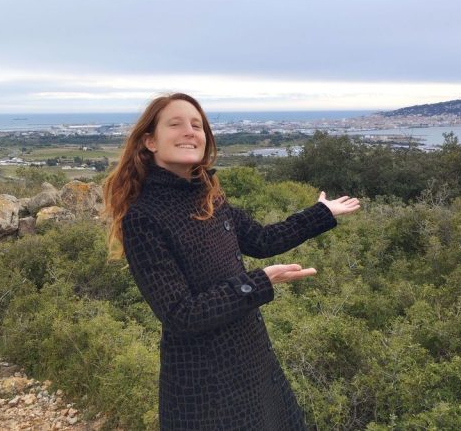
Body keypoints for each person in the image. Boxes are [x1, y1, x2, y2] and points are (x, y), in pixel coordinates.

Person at [103, 93, 360, 430]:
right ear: (150, 140)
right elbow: (181, 315)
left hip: (251, 357)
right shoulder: (144, 218)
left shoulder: (209, 195)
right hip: (202, 381)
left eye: (197, 125)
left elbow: (262, 240)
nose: (190, 132)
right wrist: (258, 282)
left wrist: (320, 214)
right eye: (176, 124)